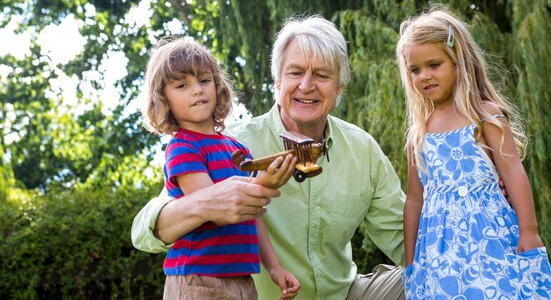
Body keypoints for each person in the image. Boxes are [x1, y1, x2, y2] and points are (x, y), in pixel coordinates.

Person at [132, 16, 407, 300]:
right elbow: (143, 231)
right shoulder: (231, 144)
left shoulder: (362, 148)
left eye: (322, 75)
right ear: (276, 80)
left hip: (345, 294)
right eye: (295, 72)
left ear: (340, 86)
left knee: (425, 275)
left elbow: (403, 236)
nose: (307, 85)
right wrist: (207, 203)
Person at [396, 6, 551, 299]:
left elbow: (512, 172)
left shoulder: (484, 117)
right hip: (438, 255)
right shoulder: (418, 135)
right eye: (415, 69)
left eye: (434, 65)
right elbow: (414, 200)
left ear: (458, 61)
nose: (424, 76)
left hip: (492, 242)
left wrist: (529, 231)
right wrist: (411, 262)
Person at [142, 37, 300, 300]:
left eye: (204, 80)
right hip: (198, 280)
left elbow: (252, 214)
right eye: (182, 85)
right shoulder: (183, 148)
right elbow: (215, 207)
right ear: (163, 99)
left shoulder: (237, 148)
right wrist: (263, 184)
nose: (197, 90)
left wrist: (274, 267)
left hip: (242, 278)